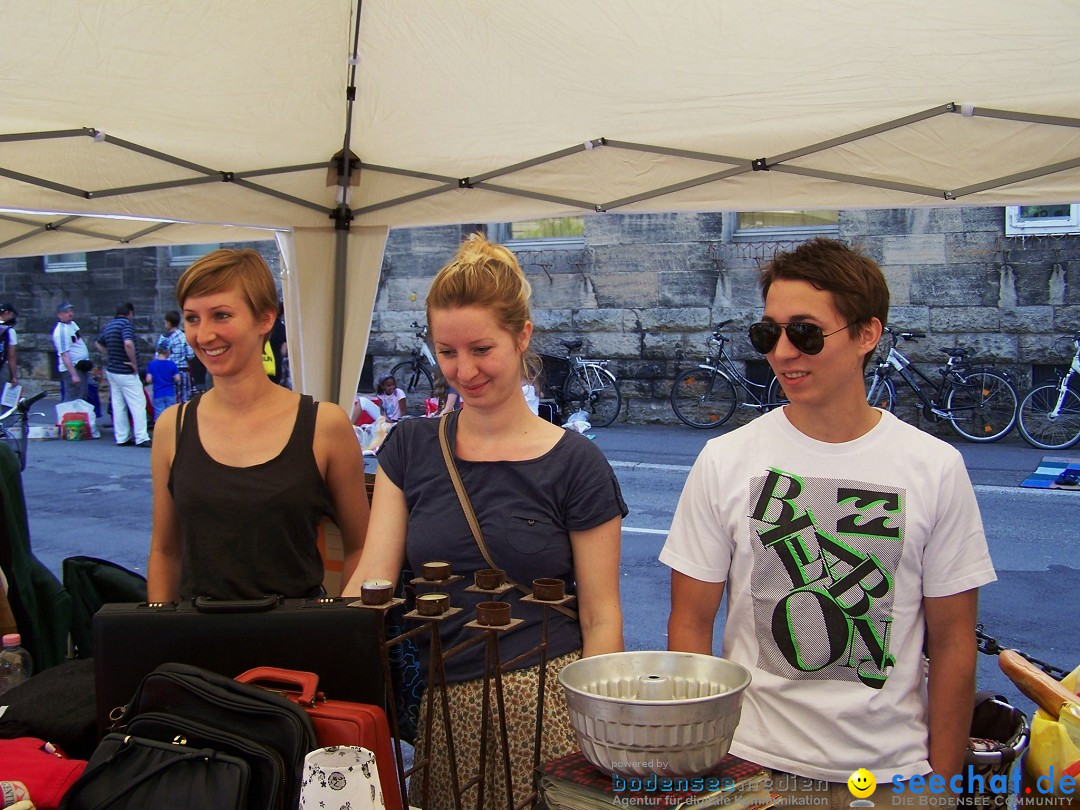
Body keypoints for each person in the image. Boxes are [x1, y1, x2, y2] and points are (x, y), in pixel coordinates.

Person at [660, 238, 996, 805]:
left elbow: (954, 639)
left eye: (806, 332)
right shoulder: (725, 459)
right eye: (769, 333)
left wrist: (941, 782)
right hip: (752, 765)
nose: (783, 352)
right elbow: (690, 624)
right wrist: (700, 759)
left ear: (867, 334)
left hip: (891, 775)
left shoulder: (935, 467)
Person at [342, 233, 626, 810]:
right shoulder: (409, 449)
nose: (464, 370)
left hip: (550, 703)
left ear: (522, 336)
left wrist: (598, 740)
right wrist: (323, 646)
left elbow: (601, 615)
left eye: (480, 349)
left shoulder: (576, 463)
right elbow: (370, 581)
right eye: (446, 352)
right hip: (444, 710)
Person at [146, 248, 369, 604]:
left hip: (294, 646)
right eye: (192, 318)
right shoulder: (172, 427)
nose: (203, 336)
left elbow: (362, 547)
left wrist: (340, 626)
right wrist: (156, 633)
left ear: (265, 319)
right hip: (195, 646)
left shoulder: (323, 425)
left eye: (221, 315)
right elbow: (165, 552)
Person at [95, 303, 151, 448]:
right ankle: (141, 437)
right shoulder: (126, 325)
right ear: (130, 313)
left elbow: (98, 343)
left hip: (112, 370)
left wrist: (109, 355)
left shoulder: (109, 325)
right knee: (138, 403)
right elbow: (128, 343)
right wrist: (133, 363)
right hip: (126, 371)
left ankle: (122, 437)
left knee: (118, 404)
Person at [52, 302, 92, 402]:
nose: (70, 314)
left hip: (81, 366)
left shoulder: (72, 324)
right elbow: (64, 354)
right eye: (66, 312)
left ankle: (80, 417)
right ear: (59, 315)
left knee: (81, 397)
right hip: (73, 368)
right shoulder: (61, 331)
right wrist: (74, 375)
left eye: (71, 311)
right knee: (73, 398)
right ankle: (70, 417)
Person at [160, 310, 194, 402]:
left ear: (168, 322)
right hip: (183, 371)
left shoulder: (163, 338)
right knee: (184, 398)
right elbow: (190, 355)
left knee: (171, 399)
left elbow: (158, 356)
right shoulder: (184, 337)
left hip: (167, 372)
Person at [145, 343, 180, 420]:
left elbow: (148, 379)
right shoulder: (172, 364)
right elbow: (177, 378)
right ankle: (171, 430)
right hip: (170, 392)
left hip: (158, 393)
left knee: (159, 414)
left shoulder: (152, 364)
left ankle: (160, 431)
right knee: (172, 414)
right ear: (167, 352)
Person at [0, 303, 18, 387]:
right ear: (7, 312)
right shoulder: (9, 331)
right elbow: (11, 355)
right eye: (12, 314)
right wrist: (14, 376)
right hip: (2, 366)